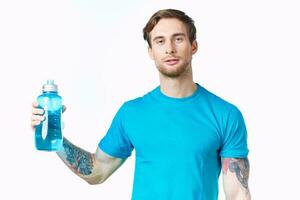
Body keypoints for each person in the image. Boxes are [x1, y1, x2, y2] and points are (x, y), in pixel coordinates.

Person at [31, 9, 251, 200]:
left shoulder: (226, 115)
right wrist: (54, 135)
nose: (170, 49)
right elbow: (97, 171)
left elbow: (238, 194)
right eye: (160, 41)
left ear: (193, 46)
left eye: (178, 39)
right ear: (150, 51)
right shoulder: (132, 113)